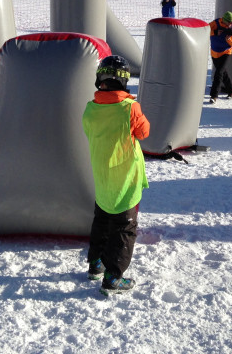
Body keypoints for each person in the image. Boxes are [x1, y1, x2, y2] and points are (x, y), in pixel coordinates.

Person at [83, 55, 150, 294]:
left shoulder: (90, 108)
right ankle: (113, 277)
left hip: (102, 176)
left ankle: (96, 264)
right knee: (124, 228)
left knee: (101, 219)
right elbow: (144, 132)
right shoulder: (129, 108)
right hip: (124, 177)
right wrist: (131, 106)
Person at [208, 11, 232, 103]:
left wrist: (228, 38)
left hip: (226, 52)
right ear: (224, 20)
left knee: (218, 73)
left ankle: (213, 95)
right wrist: (215, 32)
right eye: (229, 21)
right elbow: (205, 30)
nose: (231, 24)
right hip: (214, 52)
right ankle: (231, 91)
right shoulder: (215, 23)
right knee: (222, 72)